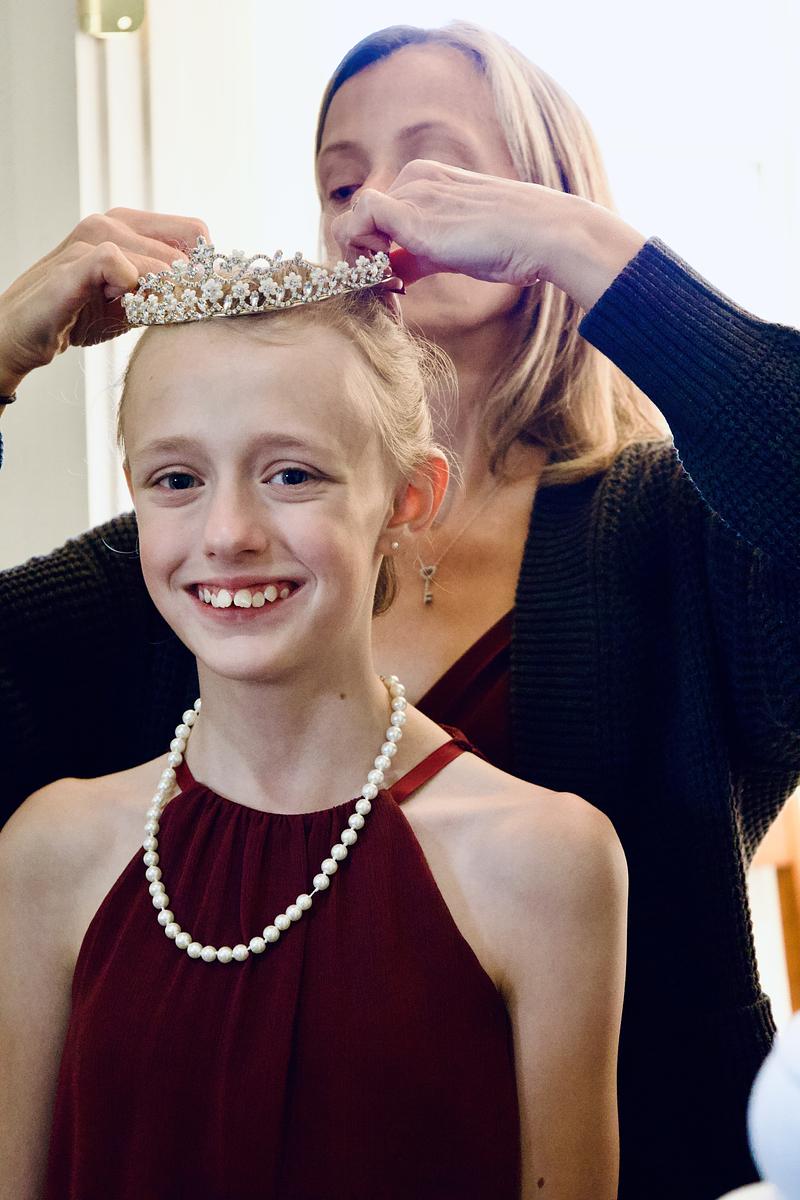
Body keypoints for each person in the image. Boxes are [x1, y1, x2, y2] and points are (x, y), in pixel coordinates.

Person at [0, 18, 797, 1199]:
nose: (375, 204)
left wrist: (583, 248)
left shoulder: (675, 538)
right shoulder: (200, 562)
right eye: (340, 181)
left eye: (434, 167)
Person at [0, 254, 628, 1199]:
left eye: (292, 474)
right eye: (177, 479)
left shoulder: (545, 862)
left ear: (409, 499)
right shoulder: (52, 853)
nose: (228, 533)